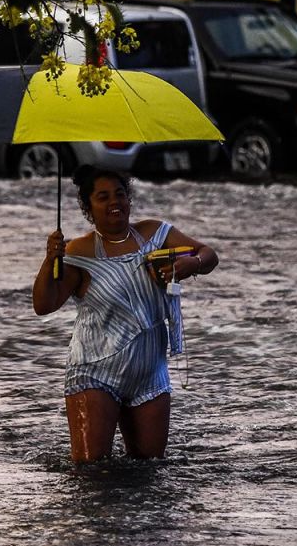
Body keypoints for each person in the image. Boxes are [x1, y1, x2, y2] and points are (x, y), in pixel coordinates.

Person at [32, 166, 219, 464]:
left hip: (150, 373)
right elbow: (44, 304)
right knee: (90, 472)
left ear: (129, 198)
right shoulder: (78, 252)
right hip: (94, 373)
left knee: (149, 470)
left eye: (120, 194)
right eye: (103, 197)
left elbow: (209, 254)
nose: (114, 202)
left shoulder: (155, 234)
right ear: (89, 208)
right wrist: (49, 261)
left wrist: (191, 264)